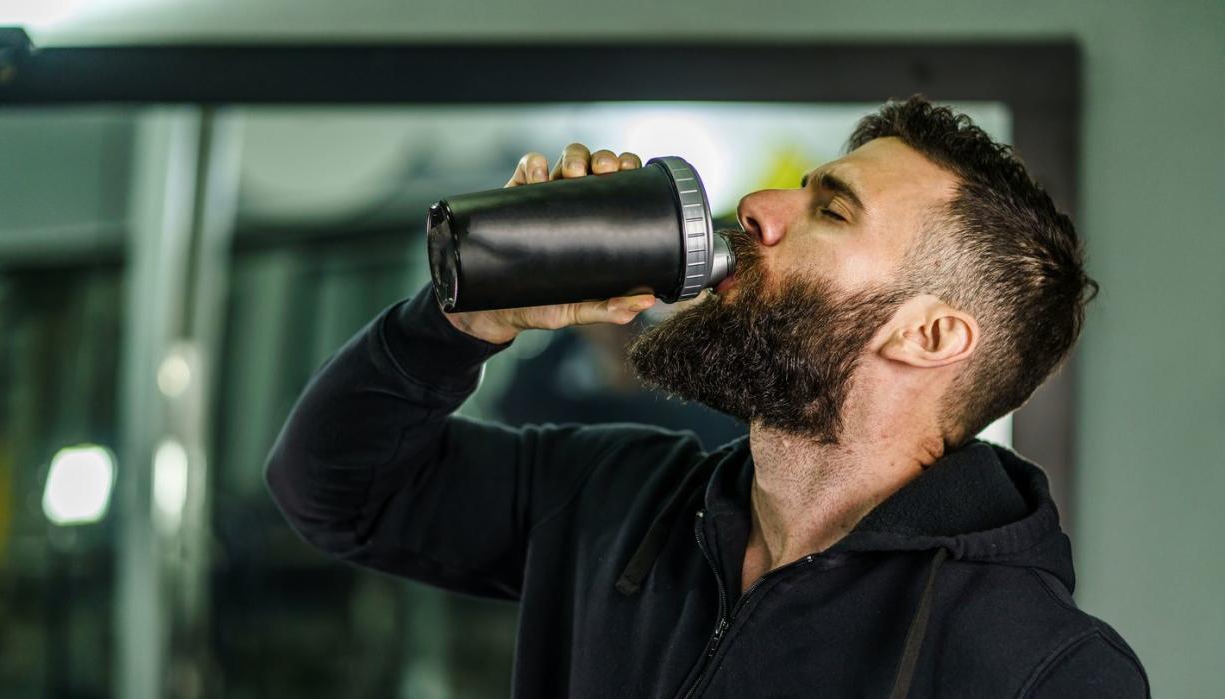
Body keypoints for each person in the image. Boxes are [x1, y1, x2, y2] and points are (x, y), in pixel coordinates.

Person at [264, 96, 1149, 697]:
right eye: (799, 188)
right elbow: (333, 487)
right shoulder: (611, 496)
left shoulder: (1042, 670)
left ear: (929, 336)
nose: (761, 206)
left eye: (831, 210)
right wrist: (470, 316)